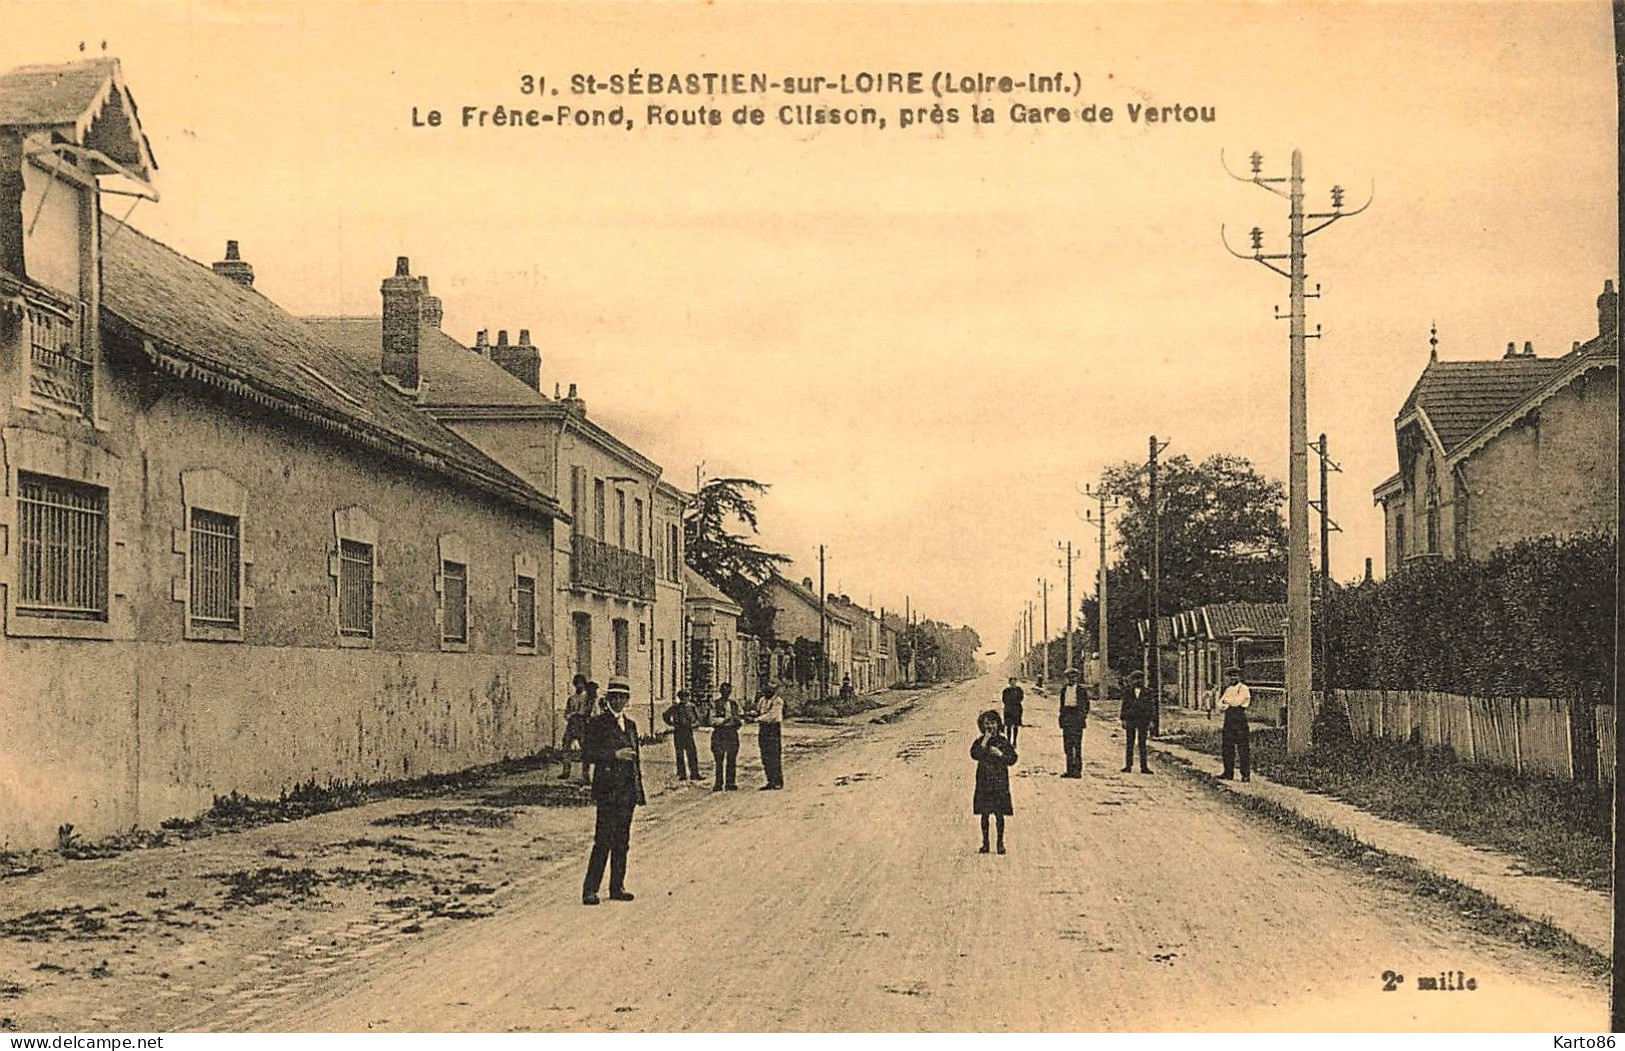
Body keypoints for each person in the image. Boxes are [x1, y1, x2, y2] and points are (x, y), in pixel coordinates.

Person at [581, 678, 645, 905]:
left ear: (627, 700)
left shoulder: (631, 726)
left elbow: (636, 762)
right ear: (608, 699)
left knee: (622, 841)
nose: (618, 701)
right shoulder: (598, 724)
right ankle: (590, 890)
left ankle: (617, 886)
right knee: (603, 840)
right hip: (608, 790)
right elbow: (588, 753)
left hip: (627, 792)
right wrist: (613, 755)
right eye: (614, 697)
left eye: (622, 697)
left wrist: (638, 792)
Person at [971, 709, 1016, 854]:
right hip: (984, 782)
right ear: (982, 726)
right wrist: (984, 741)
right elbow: (974, 754)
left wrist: (1001, 754)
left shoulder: (1003, 741)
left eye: (993, 723)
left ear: (998, 724)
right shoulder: (980, 741)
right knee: (984, 815)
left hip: (999, 782)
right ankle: (985, 843)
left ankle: (1000, 843)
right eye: (986, 723)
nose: (990, 726)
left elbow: (1013, 758)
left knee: (999, 814)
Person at [1217, 668, 1253, 781]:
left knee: (1243, 747)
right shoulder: (1228, 689)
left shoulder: (1243, 689)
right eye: (1231, 676)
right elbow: (1219, 704)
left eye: (1235, 676)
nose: (1233, 678)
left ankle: (1245, 775)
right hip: (1229, 719)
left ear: (1239, 677)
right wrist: (1227, 703)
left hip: (1239, 718)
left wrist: (1227, 702)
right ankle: (1228, 773)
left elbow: (1238, 702)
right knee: (1227, 746)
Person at [1056, 668, 1090, 778]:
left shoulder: (1081, 691)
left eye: (1074, 677)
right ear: (1066, 678)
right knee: (1068, 746)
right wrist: (1061, 719)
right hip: (1067, 718)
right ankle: (1069, 770)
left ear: (1077, 678)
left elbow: (1086, 705)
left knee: (1077, 746)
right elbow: (1061, 706)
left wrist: (1082, 716)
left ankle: (1078, 771)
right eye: (1069, 677)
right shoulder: (1064, 690)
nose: (1072, 679)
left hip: (1077, 719)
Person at [662, 689, 702, 781]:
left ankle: (694, 774)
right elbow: (665, 715)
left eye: (686, 697)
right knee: (679, 753)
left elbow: (697, 719)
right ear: (679, 698)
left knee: (692, 753)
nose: (684, 699)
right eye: (682, 697)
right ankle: (681, 774)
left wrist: (694, 725)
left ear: (688, 698)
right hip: (678, 731)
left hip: (688, 731)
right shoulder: (675, 707)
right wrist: (671, 724)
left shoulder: (691, 707)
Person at [709, 682, 742, 791]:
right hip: (720, 732)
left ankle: (730, 782)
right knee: (719, 758)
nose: (726, 693)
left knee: (731, 758)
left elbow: (740, 715)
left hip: (732, 732)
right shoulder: (715, 704)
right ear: (720, 692)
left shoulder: (734, 704)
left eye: (728, 691)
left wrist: (738, 721)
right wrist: (723, 721)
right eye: (724, 691)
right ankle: (718, 783)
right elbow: (712, 719)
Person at [1120, 670, 1154, 774]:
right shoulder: (1128, 691)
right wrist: (1123, 719)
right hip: (1131, 719)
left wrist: (1151, 721)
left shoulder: (1148, 692)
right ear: (1132, 680)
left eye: (1140, 678)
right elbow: (1124, 706)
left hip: (1143, 720)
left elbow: (1151, 707)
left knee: (1142, 744)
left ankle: (1144, 767)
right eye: (1135, 679)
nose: (1138, 681)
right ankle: (1128, 765)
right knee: (1130, 743)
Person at [559, 674, 591, 782]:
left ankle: (585, 775)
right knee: (566, 745)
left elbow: (589, 712)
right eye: (576, 684)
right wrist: (571, 715)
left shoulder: (588, 698)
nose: (578, 686)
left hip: (583, 724)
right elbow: (566, 713)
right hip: (572, 723)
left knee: (585, 748)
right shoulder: (571, 699)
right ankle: (566, 771)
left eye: (580, 684)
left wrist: (583, 716)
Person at [754, 682, 784, 790]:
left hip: (773, 728)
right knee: (765, 755)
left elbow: (772, 716)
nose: (767, 692)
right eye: (766, 690)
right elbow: (758, 711)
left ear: (774, 691)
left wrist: (756, 719)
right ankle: (770, 780)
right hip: (763, 729)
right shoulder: (762, 700)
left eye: (770, 690)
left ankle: (778, 781)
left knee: (774, 755)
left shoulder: (778, 701)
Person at [1000, 677, 1025, 747]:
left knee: (1016, 726)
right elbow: (1003, 699)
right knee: (1008, 726)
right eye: (1011, 682)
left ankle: (1014, 741)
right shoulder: (1006, 691)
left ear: (1016, 682)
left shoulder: (1019, 690)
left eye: (1014, 681)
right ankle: (1008, 741)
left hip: (1017, 709)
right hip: (1008, 709)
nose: (1013, 683)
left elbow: (1021, 698)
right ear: (1009, 683)